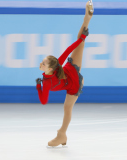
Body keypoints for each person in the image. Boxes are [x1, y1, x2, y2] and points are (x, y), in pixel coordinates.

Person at [36, 1, 94, 147]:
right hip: (71, 70)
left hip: (73, 82)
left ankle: (62, 134)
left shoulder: (47, 82)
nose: (41, 64)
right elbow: (68, 50)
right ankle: (86, 21)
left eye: (43, 63)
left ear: (49, 68)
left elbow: (43, 101)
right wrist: (81, 39)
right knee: (80, 43)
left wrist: (38, 86)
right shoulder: (56, 66)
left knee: (67, 108)